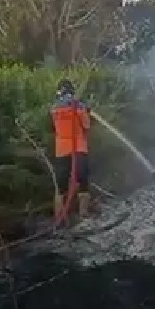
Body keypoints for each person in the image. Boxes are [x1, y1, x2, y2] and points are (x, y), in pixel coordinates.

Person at [50, 79, 92, 218]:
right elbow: (86, 126)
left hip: (61, 150)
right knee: (83, 180)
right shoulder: (79, 107)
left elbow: (53, 127)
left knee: (61, 185)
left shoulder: (54, 108)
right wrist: (86, 112)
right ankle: (83, 214)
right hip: (78, 147)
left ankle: (60, 217)